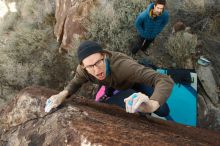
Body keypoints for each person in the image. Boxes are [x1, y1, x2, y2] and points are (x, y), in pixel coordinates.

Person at [45, 41, 174, 116]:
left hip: (131, 80)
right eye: (90, 66)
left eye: (98, 62)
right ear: (83, 66)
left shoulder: (124, 67)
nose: (96, 70)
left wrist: (151, 105)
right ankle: (108, 92)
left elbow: (164, 80)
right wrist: (62, 94)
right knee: (108, 93)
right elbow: (76, 82)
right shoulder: (84, 70)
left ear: (104, 56)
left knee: (163, 111)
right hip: (112, 82)